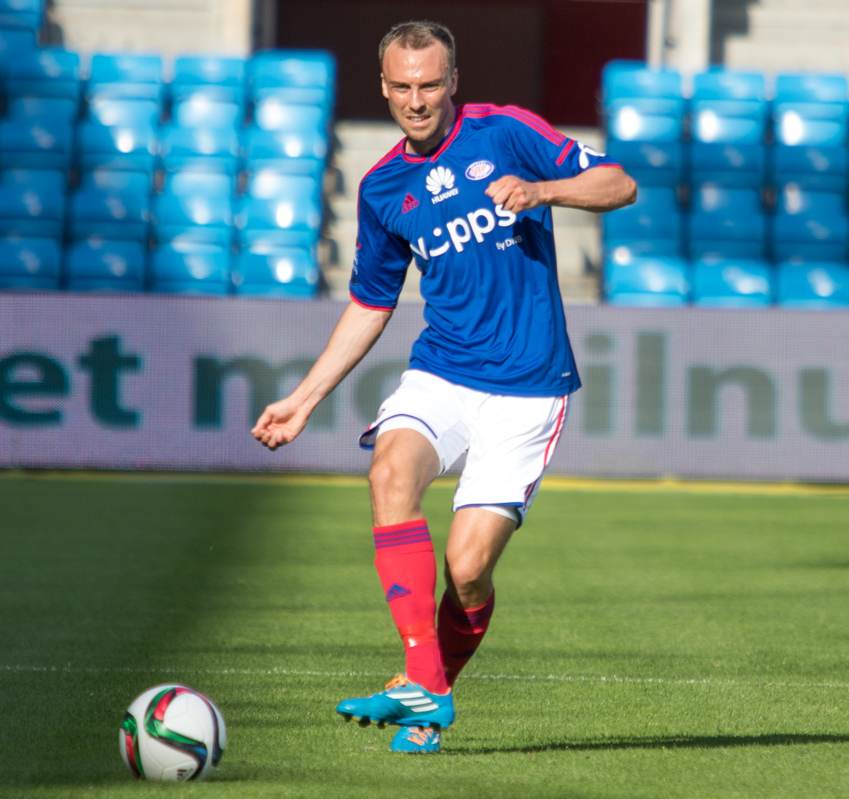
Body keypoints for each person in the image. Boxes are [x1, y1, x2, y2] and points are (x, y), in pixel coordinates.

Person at [251, 20, 637, 753]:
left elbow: (620, 183)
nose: (416, 100)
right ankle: (421, 680)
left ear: (453, 81)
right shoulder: (382, 188)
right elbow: (371, 302)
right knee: (389, 471)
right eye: (402, 86)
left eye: (430, 84)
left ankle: (431, 695)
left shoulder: (507, 132)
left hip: (527, 386)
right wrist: (304, 399)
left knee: (466, 571)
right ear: (385, 86)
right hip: (442, 370)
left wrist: (543, 190)